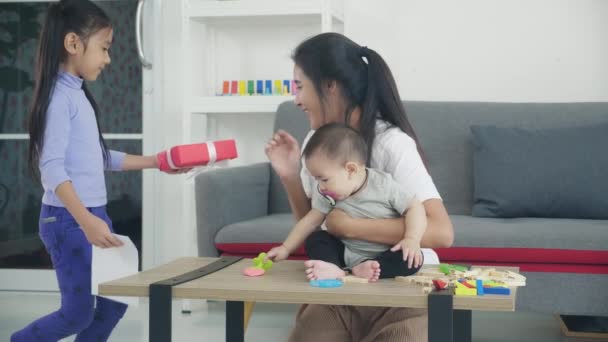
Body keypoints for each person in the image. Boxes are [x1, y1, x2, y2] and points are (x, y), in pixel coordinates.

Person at [264, 32, 454, 341]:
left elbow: (442, 232)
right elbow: (314, 225)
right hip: (344, 284)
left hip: (399, 286)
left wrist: (352, 227)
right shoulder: (317, 142)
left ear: (330, 86)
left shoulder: (392, 144)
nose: (296, 99)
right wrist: (288, 176)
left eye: (300, 86)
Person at [12, 1, 183, 341]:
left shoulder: (78, 96)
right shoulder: (58, 100)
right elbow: (51, 169)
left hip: (92, 215)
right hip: (67, 220)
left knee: (115, 302)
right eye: (104, 48)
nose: (107, 59)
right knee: (76, 314)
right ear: (73, 44)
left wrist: (157, 161)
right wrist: (86, 221)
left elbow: (98, 156)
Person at [266, 123, 427, 282]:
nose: (320, 186)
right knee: (316, 239)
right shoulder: (326, 192)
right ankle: (334, 268)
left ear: (350, 169)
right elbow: (310, 221)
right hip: (345, 251)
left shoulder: (384, 185)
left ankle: (369, 268)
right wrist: (286, 248)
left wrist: (412, 239)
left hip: (383, 254)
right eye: (316, 180)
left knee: (411, 260)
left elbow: (414, 207)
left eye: (324, 179)